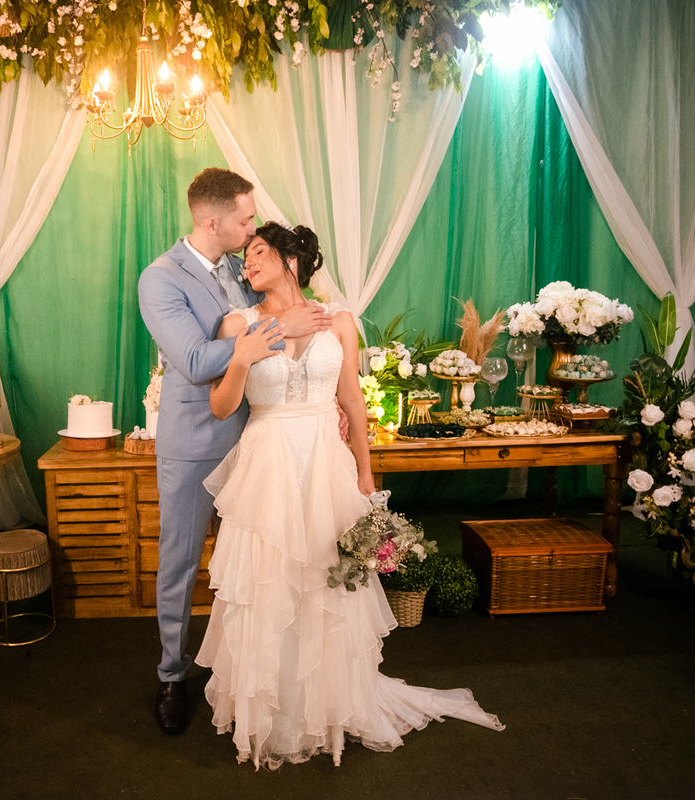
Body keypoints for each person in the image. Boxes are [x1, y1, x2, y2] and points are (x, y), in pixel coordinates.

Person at [195, 222, 505, 769]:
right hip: (266, 465)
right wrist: (243, 357)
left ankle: (329, 707)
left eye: (258, 252)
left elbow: (353, 401)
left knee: (326, 584)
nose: (248, 264)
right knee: (270, 583)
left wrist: (365, 471)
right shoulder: (238, 322)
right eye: (245, 257)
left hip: (325, 464)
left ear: (292, 259)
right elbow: (221, 407)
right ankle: (274, 713)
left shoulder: (339, 321)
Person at [137, 169, 335, 735]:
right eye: (245, 220)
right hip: (197, 443)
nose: (252, 230)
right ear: (212, 221)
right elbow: (196, 361)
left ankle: (266, 669)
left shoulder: (237, 267)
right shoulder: (160, 279)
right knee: (181, 561)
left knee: (265, 564)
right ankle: (173, 674)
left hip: (262, 440)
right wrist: (276, 329)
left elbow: (277, 312)